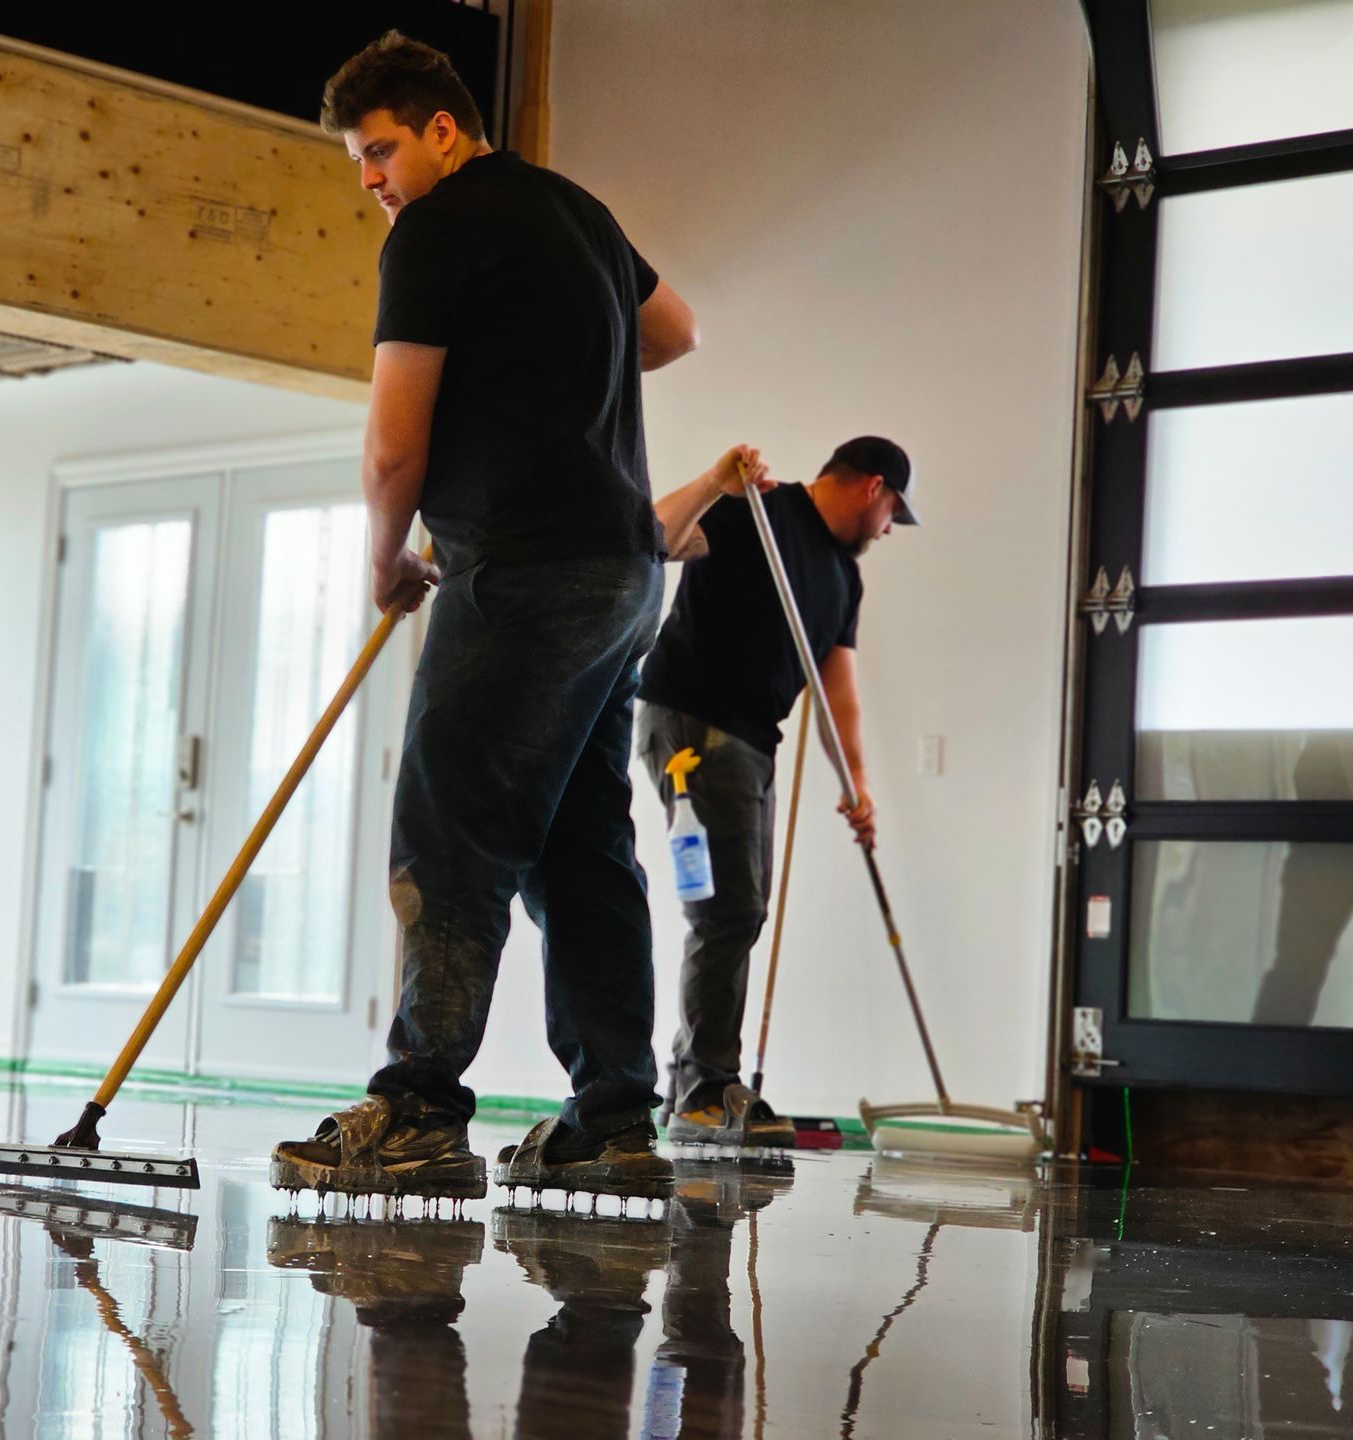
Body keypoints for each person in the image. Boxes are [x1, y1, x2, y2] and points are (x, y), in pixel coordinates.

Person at [269, 31, 716, 1204]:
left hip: (519, 571)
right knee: (581, 847)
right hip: (622, 572)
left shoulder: (439, 225)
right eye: (360, 162)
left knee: (454, 832)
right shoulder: (575, 209)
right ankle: (614, 1120)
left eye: (380, 152)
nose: (371, 180)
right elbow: (677, 332)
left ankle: (418, 1109)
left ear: (443, 131)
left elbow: (392, 441)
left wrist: (383, 557)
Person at [635, 437, 917, 1146]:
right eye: (892, 514)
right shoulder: (755, 510)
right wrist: (714, 479)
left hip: (754, 741)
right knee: (727, 910)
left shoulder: (842, 580)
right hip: (692, 726)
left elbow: (836, 691)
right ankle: (702, 1091)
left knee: (738, 911)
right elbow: (657, 540)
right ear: (873, 487)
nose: (887, 530)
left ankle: (698, 1086)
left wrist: (857, 785)